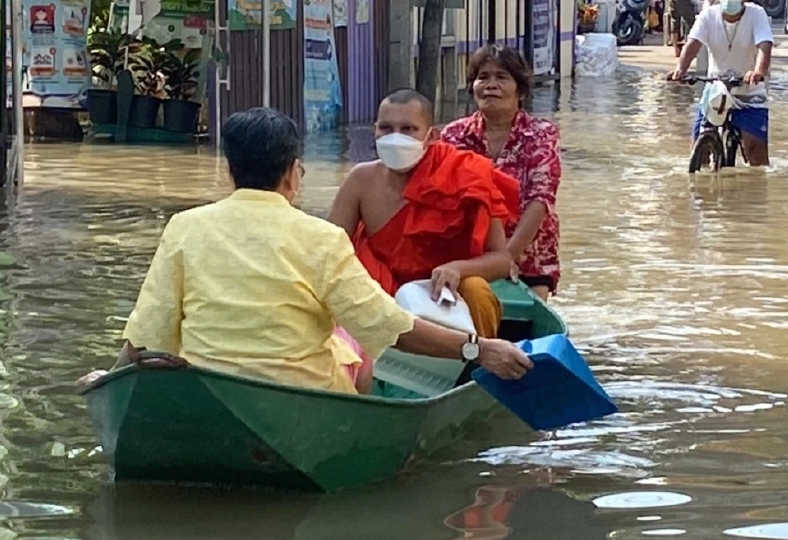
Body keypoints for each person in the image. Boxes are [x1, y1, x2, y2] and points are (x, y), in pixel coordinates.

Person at [89, 108, 531, 395]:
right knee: (357, 350)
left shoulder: (184, 226)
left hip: (211, 386)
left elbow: (150, 328)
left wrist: (107, 381)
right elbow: (389, 326)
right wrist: (480, 350)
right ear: (291, 174)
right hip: (304, 392)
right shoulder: (321, 237)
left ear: (230, 172)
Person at [329, 90, 518, 337]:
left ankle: (481, 358)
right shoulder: (361, 180)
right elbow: (330, 250)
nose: (395, 138)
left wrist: (458, 268)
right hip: (381, 288)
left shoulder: (466, 174)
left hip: (446, 291)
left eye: (408, 129)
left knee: (476, 288)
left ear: (432, 136)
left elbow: (502, 260)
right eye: (386, 128)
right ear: (374, 130)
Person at [441, 45, 562, 301]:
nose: (490, 85)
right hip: (469, 258)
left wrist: (505, 258)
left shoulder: (541, 134)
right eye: (483, 77)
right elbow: (443, 199)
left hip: (528, 256)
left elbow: (539, 201)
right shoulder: (454, 135)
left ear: (520, 90)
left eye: (502, 77)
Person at [667, 0, 774, 166]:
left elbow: (764, 46)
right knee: (697, 151)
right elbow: (692, 44)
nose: (729, 0)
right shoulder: (708, 15)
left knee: (755, 152)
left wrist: (758, 71)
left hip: (749, 90)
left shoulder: (756, 14)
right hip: (716, 89)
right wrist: (680, 69)